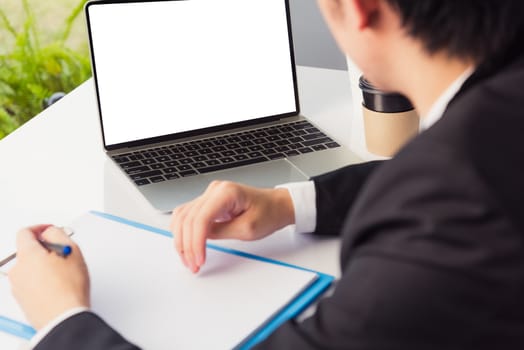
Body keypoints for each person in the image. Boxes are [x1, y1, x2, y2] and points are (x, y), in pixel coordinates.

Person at [8, 0, 524, 348]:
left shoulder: (447, 231)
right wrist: (289, 204)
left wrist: (62, 318)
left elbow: (454, 199)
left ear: (358, 8)